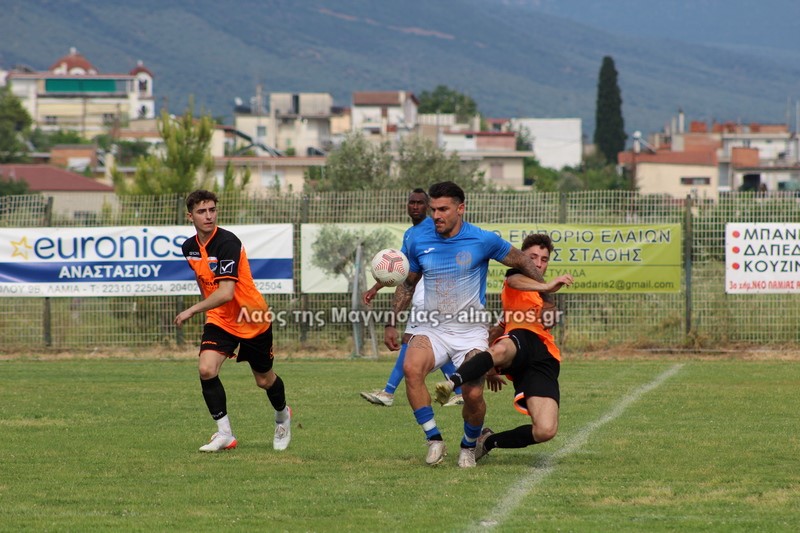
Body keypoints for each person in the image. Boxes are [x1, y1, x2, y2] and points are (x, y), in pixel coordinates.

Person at [386, 181, 552, 468]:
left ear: (460, 208)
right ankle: (434, 439)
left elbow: (522, 261)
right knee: (412, 369)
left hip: (470, 331)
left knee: (473, 394)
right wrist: (391, 322)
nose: (436, 215)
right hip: (432, 327)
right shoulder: (418, 241)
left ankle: (468, 445)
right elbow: (408, 284)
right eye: (433, 209)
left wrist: (546, 295)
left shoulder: (482, 240)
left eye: (443, 209)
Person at [434, 233, 573, 461]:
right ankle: (451, 384)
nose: (538, 263)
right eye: (532, 257)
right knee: (501, 350)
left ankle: (488, 441)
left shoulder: (544, 294)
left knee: (545, 430)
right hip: (520, 338)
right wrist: (547, 286)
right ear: (522, 258)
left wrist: (548, 305)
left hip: (543, 356)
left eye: (544, 259)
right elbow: (513, 281)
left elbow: (502, 327)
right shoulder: (517, 275)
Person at [174, 190, 291, 453]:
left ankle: (282, 416)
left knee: (264, 380)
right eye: (202, 211)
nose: (208, 216)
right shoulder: (189, 248)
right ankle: (225, 434)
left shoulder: (227, 243)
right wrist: (208, 311)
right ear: (190, 216)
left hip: (251, 317)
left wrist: (192, 310)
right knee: (206, 369)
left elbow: (226, 292)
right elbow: (204, 282)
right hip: (221, 319)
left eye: (212, 210)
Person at [360, 188, 463, 407]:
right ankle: (459, 390)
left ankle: (388, 393)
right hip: (420, 295)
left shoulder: (433, 227)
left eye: (420, 203)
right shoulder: (410, 234)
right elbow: (401, 268)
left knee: (411, 340)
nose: (415, 206)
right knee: (425, 342)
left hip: (430, 294)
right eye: (412, 202)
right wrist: (376, 287)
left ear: (427, 206)